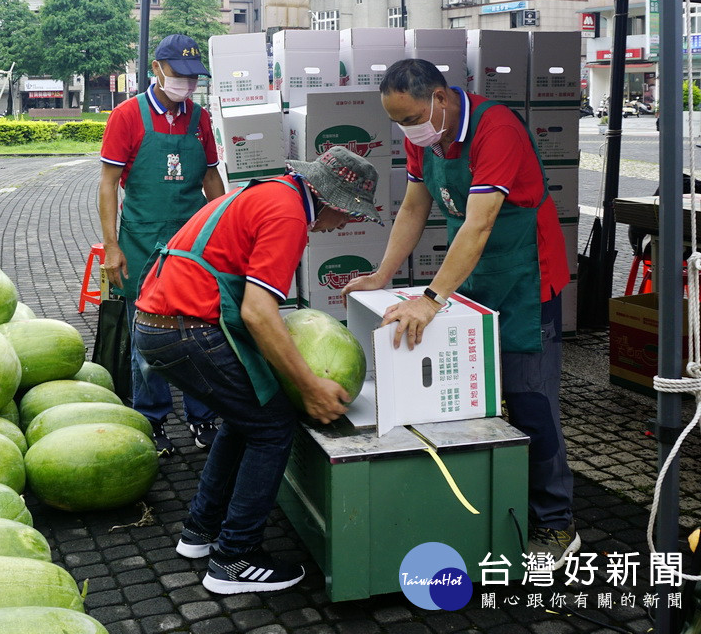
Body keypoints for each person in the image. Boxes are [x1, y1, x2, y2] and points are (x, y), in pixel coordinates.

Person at [343, 58, 576, 566]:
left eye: (410, 119)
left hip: (522, 278)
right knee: (471, 394)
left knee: (529, 397)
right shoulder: (424, 137)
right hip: (466, 278)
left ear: (441, 99)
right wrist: (384, 274)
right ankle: (484, 500)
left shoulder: (496, 128)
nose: (407, 131)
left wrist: (429, 299)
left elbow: (480, 222)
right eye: (399, 123)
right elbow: (413, 206)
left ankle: (556, 521)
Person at [133, 146, 379, 595]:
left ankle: (201, 531)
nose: (347, 225)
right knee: (271, 428)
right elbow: (258, 312)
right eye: (351, 215)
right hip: (187, 330)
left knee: (247, 420)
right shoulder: (288, 215)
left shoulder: (269, 193)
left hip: (161, 325)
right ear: (334, 202)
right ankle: (234, 559)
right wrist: (309, 388)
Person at [99, 34, 225, 455]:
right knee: (146, 337)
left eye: (194, 78)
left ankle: (202, 416)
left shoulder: (200, 119)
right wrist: (111, 246)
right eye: (180, 75)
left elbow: (210, 180)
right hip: (140, 243)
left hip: (192, 245)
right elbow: (108, 183)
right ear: (157, 69)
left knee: (198, 331)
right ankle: (151, 418)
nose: (187, 85)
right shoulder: (127, 116)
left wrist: (224, 229)